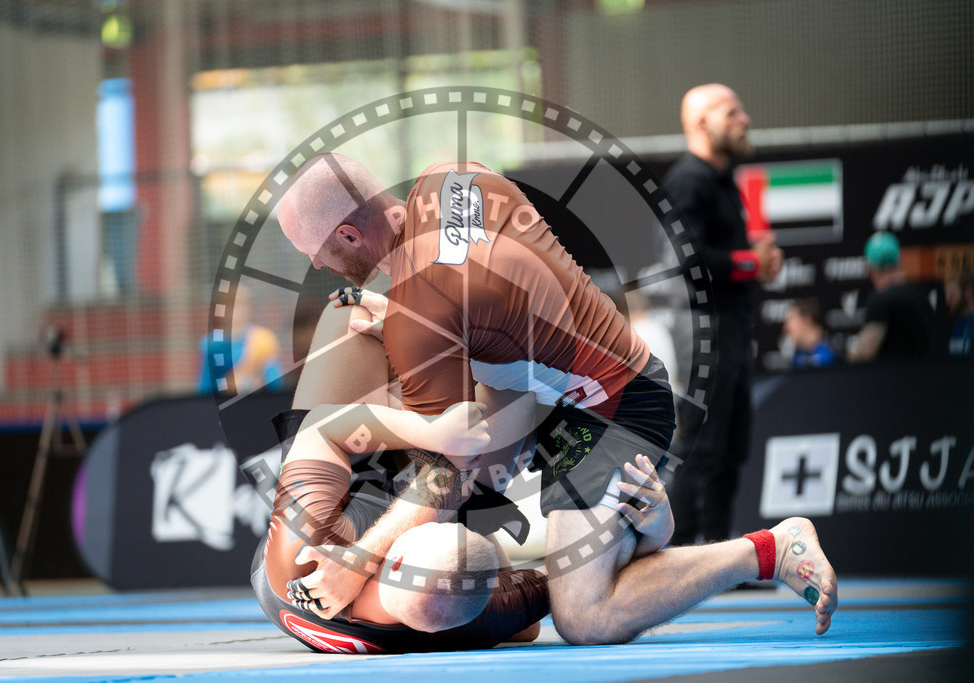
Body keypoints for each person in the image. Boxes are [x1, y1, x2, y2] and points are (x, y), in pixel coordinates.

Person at [276, 152, 837, 646]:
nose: (319, 266)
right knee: (467, 473)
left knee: (586, 616)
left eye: (316, 253)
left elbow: (447, 470)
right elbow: (477, 288)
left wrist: (358, 561)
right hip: (550, 389)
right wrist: (410, 316)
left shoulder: (419, 318)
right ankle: (640, 530)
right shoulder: (450, 173)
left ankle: (768, 548)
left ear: (349, 235)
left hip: (610, 404)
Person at [252, 299, 549, 653]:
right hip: (450, 486)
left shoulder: (303, 554)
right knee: (511, 384)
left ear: (398, 562)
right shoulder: (464, 621)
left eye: (436, 525)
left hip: (349, 491)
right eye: (451, 523)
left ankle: (420, 374)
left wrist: (427, 426)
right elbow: (528, 625)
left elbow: (321, 428)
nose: (440, 520)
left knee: (348, 315)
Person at [661, 84, 783, 547]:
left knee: (731, 444)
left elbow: (725, 258)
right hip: (702, 329)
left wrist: (755, 262)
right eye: (732, 112)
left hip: (727, 325)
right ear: (703, 123)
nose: (745, 120)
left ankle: (718, 551)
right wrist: (752, 261)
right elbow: (688, 261)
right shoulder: (688, 181)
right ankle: (680, 552)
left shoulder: (722, 180)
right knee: (704, 441)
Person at [848, 232, 934, 362]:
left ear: (869, 268)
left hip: (894, 379)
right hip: (928, 378)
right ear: (899, 261)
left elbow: (866, 353)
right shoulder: (921, 295)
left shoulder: (881, 300)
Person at [199, 285, 283, 394]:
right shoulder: (210, 343)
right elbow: (205, 387)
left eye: (242, 305)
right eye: (231, 305)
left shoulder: (264, 340)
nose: (238, 311)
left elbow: (275, 383)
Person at [782, 299, 836, 369]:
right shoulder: (797, 357)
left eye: (791, 319)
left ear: (806, 320)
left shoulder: (835, 352)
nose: (785, 327)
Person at [944, 271, 974, 357]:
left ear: (968, 291)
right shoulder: (949, 322)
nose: (947, 299)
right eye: (945, 293)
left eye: (951, 293)